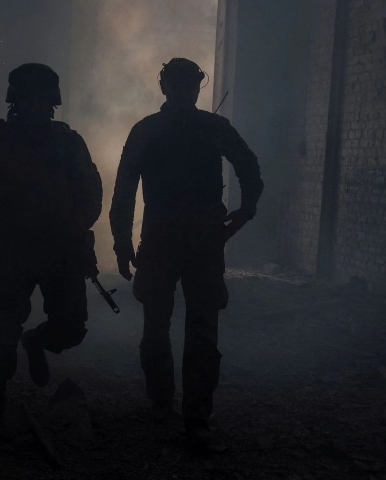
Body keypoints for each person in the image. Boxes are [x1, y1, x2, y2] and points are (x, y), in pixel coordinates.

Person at [109, 58, 263, 451]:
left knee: (165, 328)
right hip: (197, 242)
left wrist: (123, 244)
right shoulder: (211, 128)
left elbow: (125, 190)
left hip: (167, 240)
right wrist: (245, 211)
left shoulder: (149, 130)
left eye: (187, 86)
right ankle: (190, 417)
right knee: (194, 329)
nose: (185, 92)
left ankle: (170, 408)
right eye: (185, 85)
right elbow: (249, 167)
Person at [0, 63, 102, 430]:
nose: (37, 108)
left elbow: (91, 193)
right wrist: (1, 192)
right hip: (14, 249)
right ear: (15, 102)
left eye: (43, 102)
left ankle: (35, 342)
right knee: (3, 330)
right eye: (29, 100)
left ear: (52, 104)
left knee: (71, 328)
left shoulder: (68, 142)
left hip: (60, 250)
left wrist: (77, 221)